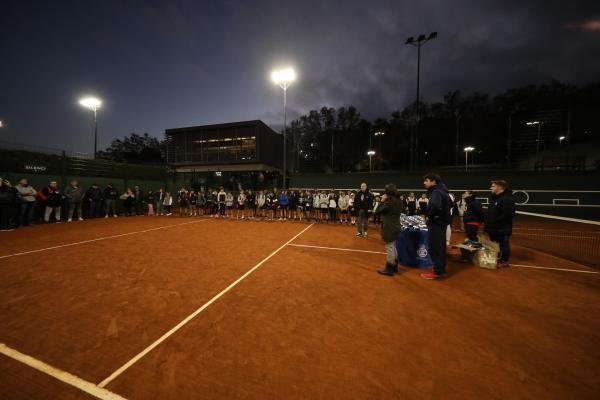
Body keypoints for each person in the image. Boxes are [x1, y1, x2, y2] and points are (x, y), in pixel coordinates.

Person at [420, 173, 452, 280]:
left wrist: (428, 214)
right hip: (441, 223)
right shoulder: (442, 191)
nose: (424, 183)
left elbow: (435, 207)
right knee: (440, 247)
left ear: (433, 181)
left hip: (436, 224)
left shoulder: (437, 191)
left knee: (435, 248)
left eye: (426, 180)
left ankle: (438, 272)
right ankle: (439, 269)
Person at [484, 180, 516, 268]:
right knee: (495, 244)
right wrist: (488, 225)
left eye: (493, 186)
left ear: (500, 187)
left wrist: (494, 222)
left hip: (502, 228)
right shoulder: (495, 199)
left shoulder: (507, 199)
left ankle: (505, 261)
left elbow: (507, 214)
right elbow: (490, 214)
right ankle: (498, 258)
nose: (491, 188)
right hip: (493, 228)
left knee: (503, 245)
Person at [376, 184, 403, 276]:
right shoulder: (398, 200)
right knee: (393, 246)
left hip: (390, 227)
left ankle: (389, 269)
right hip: (396, 226)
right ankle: (394, 267)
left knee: (389, 247)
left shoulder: (389, 202)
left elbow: (377, 211)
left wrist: (382, 201)